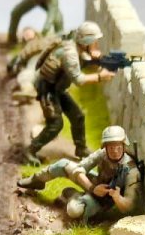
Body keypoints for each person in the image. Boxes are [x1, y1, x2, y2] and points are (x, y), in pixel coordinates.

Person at [25, 21, 113, 165]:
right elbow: (79, 79)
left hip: (57, 88)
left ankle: (81, 149)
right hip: (48, 89)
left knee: (78, 116)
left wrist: (97, 60)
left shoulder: (78, 48)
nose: (96, 44)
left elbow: (84, 63)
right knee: (56, 124)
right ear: (86, 42)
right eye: (94, 41)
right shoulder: (70, 53)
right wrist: (100, 77)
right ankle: (30, 150)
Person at [17, 125, 142, 221]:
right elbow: (79, 169)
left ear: (124, 146)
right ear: (105, 147)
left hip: (103, 201)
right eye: (111, 147)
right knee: (63, 164)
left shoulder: (131, 170)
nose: (115, 151)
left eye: (118, 147)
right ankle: (36, 181)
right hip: (95, 184)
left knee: (74, 210)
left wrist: (117, 197)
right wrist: (92, 188)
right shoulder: (103, 154)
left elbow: (129, 206)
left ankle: (72, 194)